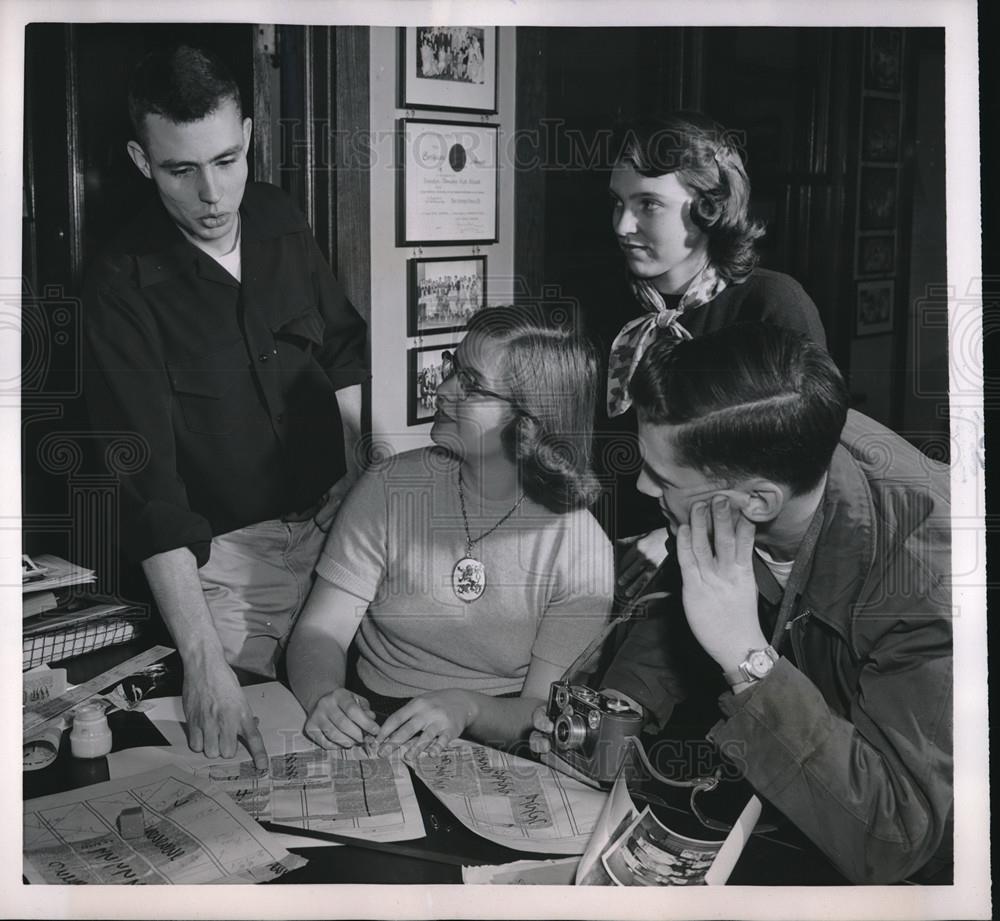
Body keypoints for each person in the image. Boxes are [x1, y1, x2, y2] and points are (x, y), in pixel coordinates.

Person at [533, 324, 952, 884]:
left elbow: (899, 837)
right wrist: (609, 722)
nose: (640, 488)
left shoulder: (923, 580)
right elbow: (689, 595)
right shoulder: (761, 439)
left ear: (758, 500)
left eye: (662, 478)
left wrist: (747, 659)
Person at [82, 45, 368, 769]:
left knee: (373, 733)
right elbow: (151, 496)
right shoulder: (118, 289)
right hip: (231, 571)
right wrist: (203, 662)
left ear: (247, 132)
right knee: (251, 763)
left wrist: (366, 487)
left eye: (228, 159)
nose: (213, 194)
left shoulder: (277, 214)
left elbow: (341, 350)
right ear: (143, 162)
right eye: (181, 169)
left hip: (341, 533)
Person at [288, 305, 614, 759]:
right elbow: (321, 630)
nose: (441, 389)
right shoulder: (391, 486)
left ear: (529, 424)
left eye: (472, 385)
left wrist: (467, 708)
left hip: (499, 732)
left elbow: (541, 711)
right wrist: (325, 696)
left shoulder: (580, 549)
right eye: (452, 367)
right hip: (372, 716)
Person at [599, 112, 827, 596]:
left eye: (648, 205)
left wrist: (675, 536)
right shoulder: (604, 306)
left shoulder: (773, 305)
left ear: (709, 208)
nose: (623, 225)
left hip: (731, 563)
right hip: (611, 554)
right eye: (618, 203)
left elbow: (798, 476)